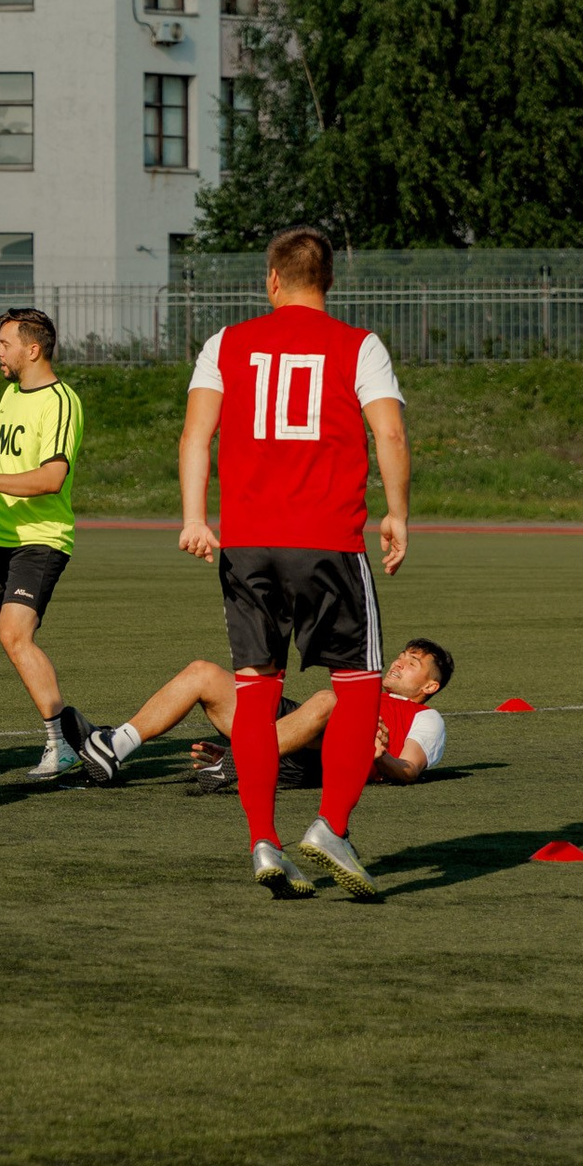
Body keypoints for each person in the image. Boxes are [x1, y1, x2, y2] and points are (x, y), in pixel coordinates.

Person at [174, 227, 411, 900]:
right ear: (328, 283)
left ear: (271, 280)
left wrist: (195, 517)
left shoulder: (225, 343)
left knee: (255, 686)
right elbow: (388, 431)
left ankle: (261, 836)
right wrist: (397, 510)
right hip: (328, 541)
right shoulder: (358, 345)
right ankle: (331, 825)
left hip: (247, 545)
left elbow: (196, 433)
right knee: (360, 681)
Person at [0, 308, 87, 780]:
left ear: (33, 349)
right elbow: (19, 469)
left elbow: (51, 478)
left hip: (40, 542)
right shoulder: (10, 395)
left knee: (14, 635)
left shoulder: (61, 401)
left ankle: (62, 744)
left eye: (4, 343)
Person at [60, 638, 454, 790]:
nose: (400, 662)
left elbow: (410, 770)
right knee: (204, 673)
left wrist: (379, 756)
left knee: (330, 700)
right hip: (297, 735)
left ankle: (246, 759)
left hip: (327, 761)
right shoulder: (365, 688)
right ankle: (113, 748)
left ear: (429, 687)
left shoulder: (428, 719)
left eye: (414, 662)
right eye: (402, 655)